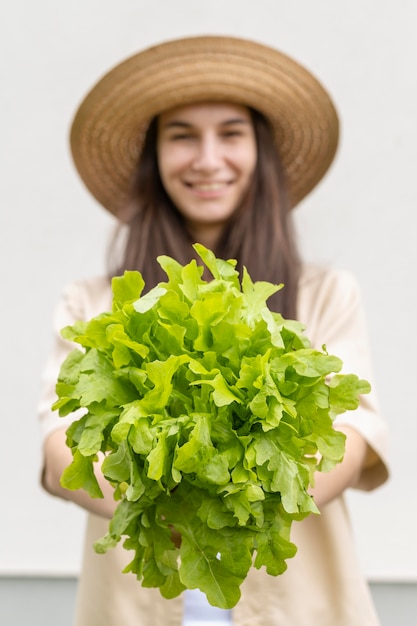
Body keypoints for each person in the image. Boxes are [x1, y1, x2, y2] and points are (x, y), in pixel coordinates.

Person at [38, 35, 389, 626]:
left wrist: (237, 506)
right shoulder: (94, 304)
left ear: (260, 153)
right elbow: (60, 450)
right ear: (155, 159)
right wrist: (164, 513)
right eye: (181, 136)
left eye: (230, 133)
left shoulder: (326, 294)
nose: (207, 159)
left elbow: (351, 440)